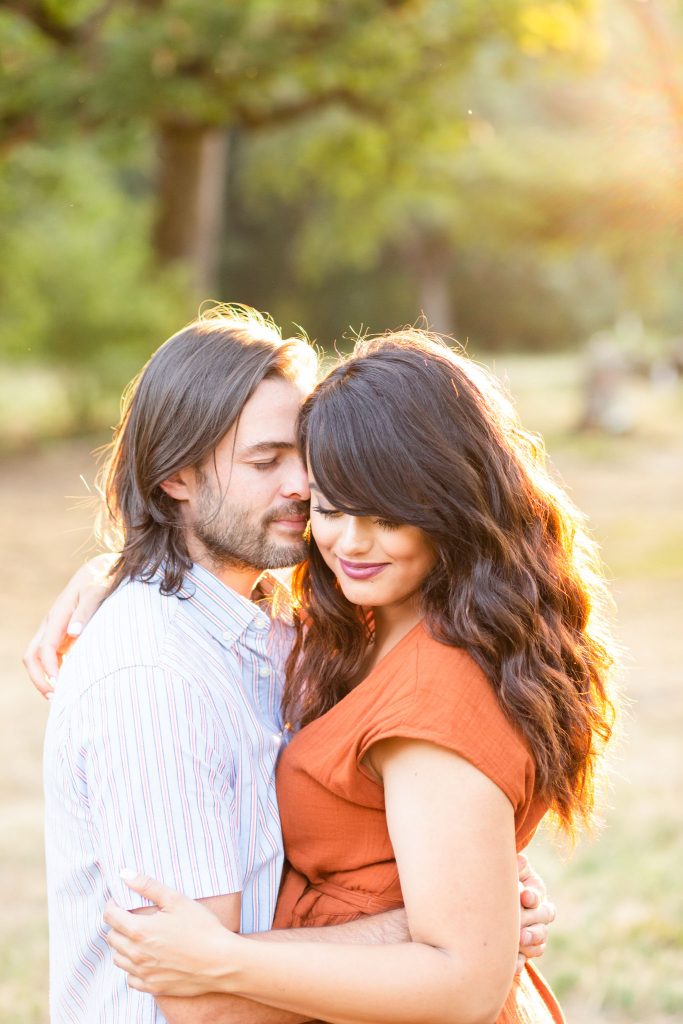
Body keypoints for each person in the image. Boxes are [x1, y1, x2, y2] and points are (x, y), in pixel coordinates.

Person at [31, 310, 553, 1024]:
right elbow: (205, 1001)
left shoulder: (291, 629)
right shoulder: (153, 683)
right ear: (176, 477)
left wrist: (468, 915)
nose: (305, 487)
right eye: (265, 460)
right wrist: (454, 924)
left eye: (305, 457)